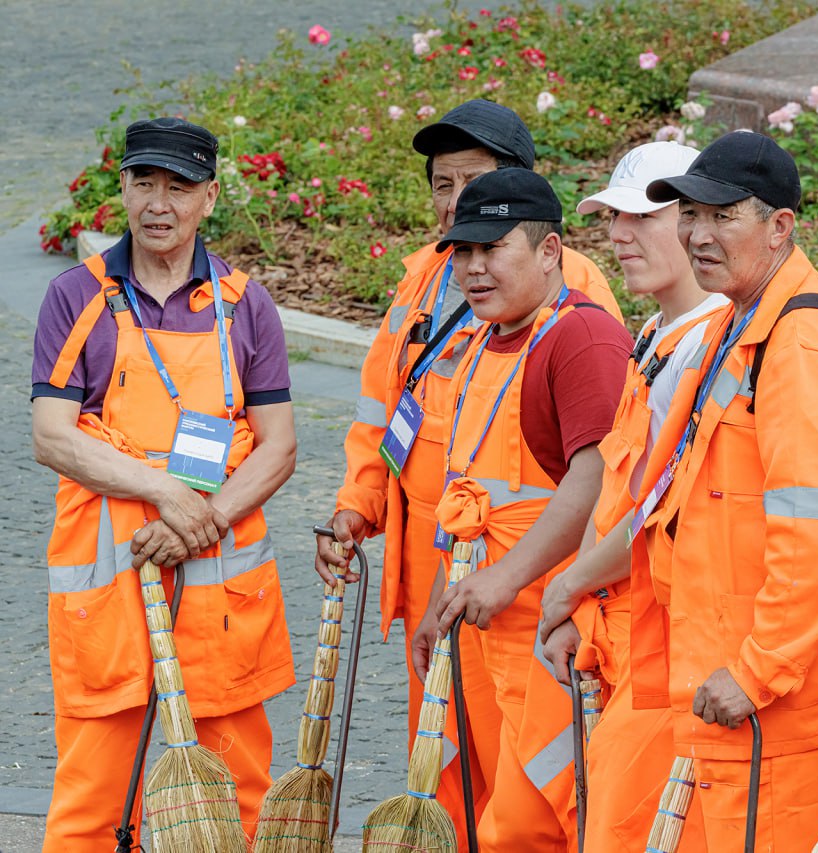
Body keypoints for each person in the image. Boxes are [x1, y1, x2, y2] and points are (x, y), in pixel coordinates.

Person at [313, 99, 622, 841]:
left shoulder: (573, 302)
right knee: (442, 755)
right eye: (443, 186)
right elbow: (381, 407)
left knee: (537, 791)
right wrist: (358, 503)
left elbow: (599, 464)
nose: (456, 210)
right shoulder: (424, 276)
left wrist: (526, 579)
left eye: (473, 184)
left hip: (529, 584)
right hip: (442, 563)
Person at [31, 117, 297, 851]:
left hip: (220, 600)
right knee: (93, 800)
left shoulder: (248, 306)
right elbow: (52, 436)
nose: (158, 203)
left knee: (238, 798)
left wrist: (199, 518)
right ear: (121, 187)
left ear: (209, 198)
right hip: (108, 597)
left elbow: (278, 448)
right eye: (143, 182)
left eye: (177, 187)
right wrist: (167, 492)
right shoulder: (74, 296)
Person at [624, 130, 818, 848]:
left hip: (771, 710)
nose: (697, 234)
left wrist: (755, 671)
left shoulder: (796, 345)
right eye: (689, 214)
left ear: (779, 227)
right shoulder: (745, 321)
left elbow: (817, 540)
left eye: (721, 216)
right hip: (735, 696)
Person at [408, 167, 631, 848]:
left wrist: (504, 580)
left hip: (546, 635)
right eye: (465, 252)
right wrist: (441, 598)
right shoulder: (482, 340)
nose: (474, 268)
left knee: (538, 821)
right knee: (492, 816)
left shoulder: (579, 338)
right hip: (483, 627)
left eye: (493, 249)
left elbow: (594, 480)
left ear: (549, 250)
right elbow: (469, 491)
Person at [537, 140, 726, 849]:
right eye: (612, 217)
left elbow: (654, 519)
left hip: (665, 664)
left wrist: (565, 590)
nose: (618, 234)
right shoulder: (654, 335)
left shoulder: (708, 348)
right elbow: (617, 492)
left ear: (697, 221)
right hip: (628, 649)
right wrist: (578, 598)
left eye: (643, 216)